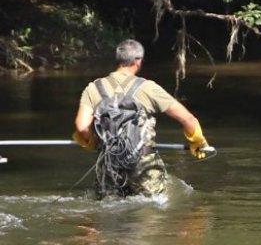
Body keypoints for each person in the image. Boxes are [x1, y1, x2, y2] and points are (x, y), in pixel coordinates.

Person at [72, 39, 210, 199]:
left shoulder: (94, 88)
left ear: (118, 60)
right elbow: (188, 119)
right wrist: (198, 141)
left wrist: (96, 144)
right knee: (151, 209)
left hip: (109, 162)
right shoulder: (148, 87)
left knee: (109, 211)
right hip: (143, 164)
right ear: (137, 62)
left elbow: (82, 128)